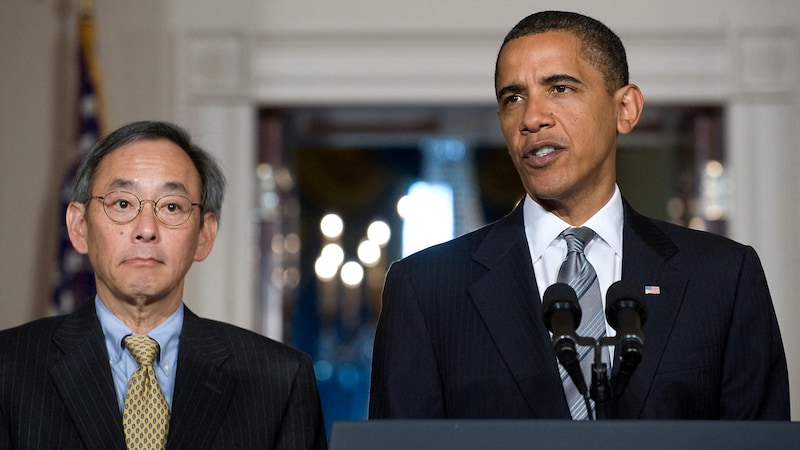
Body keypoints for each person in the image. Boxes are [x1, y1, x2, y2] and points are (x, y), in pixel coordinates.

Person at [369, 11, 789, 420]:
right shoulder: (425, 290)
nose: (531, 118)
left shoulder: (723, 278)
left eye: (560, 88)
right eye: (513, 98)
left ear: (626, 109)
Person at [0, 121, 327, 448]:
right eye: (122, 204)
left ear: (204, 235)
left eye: (171, 206)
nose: (146, 229)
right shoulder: (10, 368)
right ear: (79, 227)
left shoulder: (279, 381)